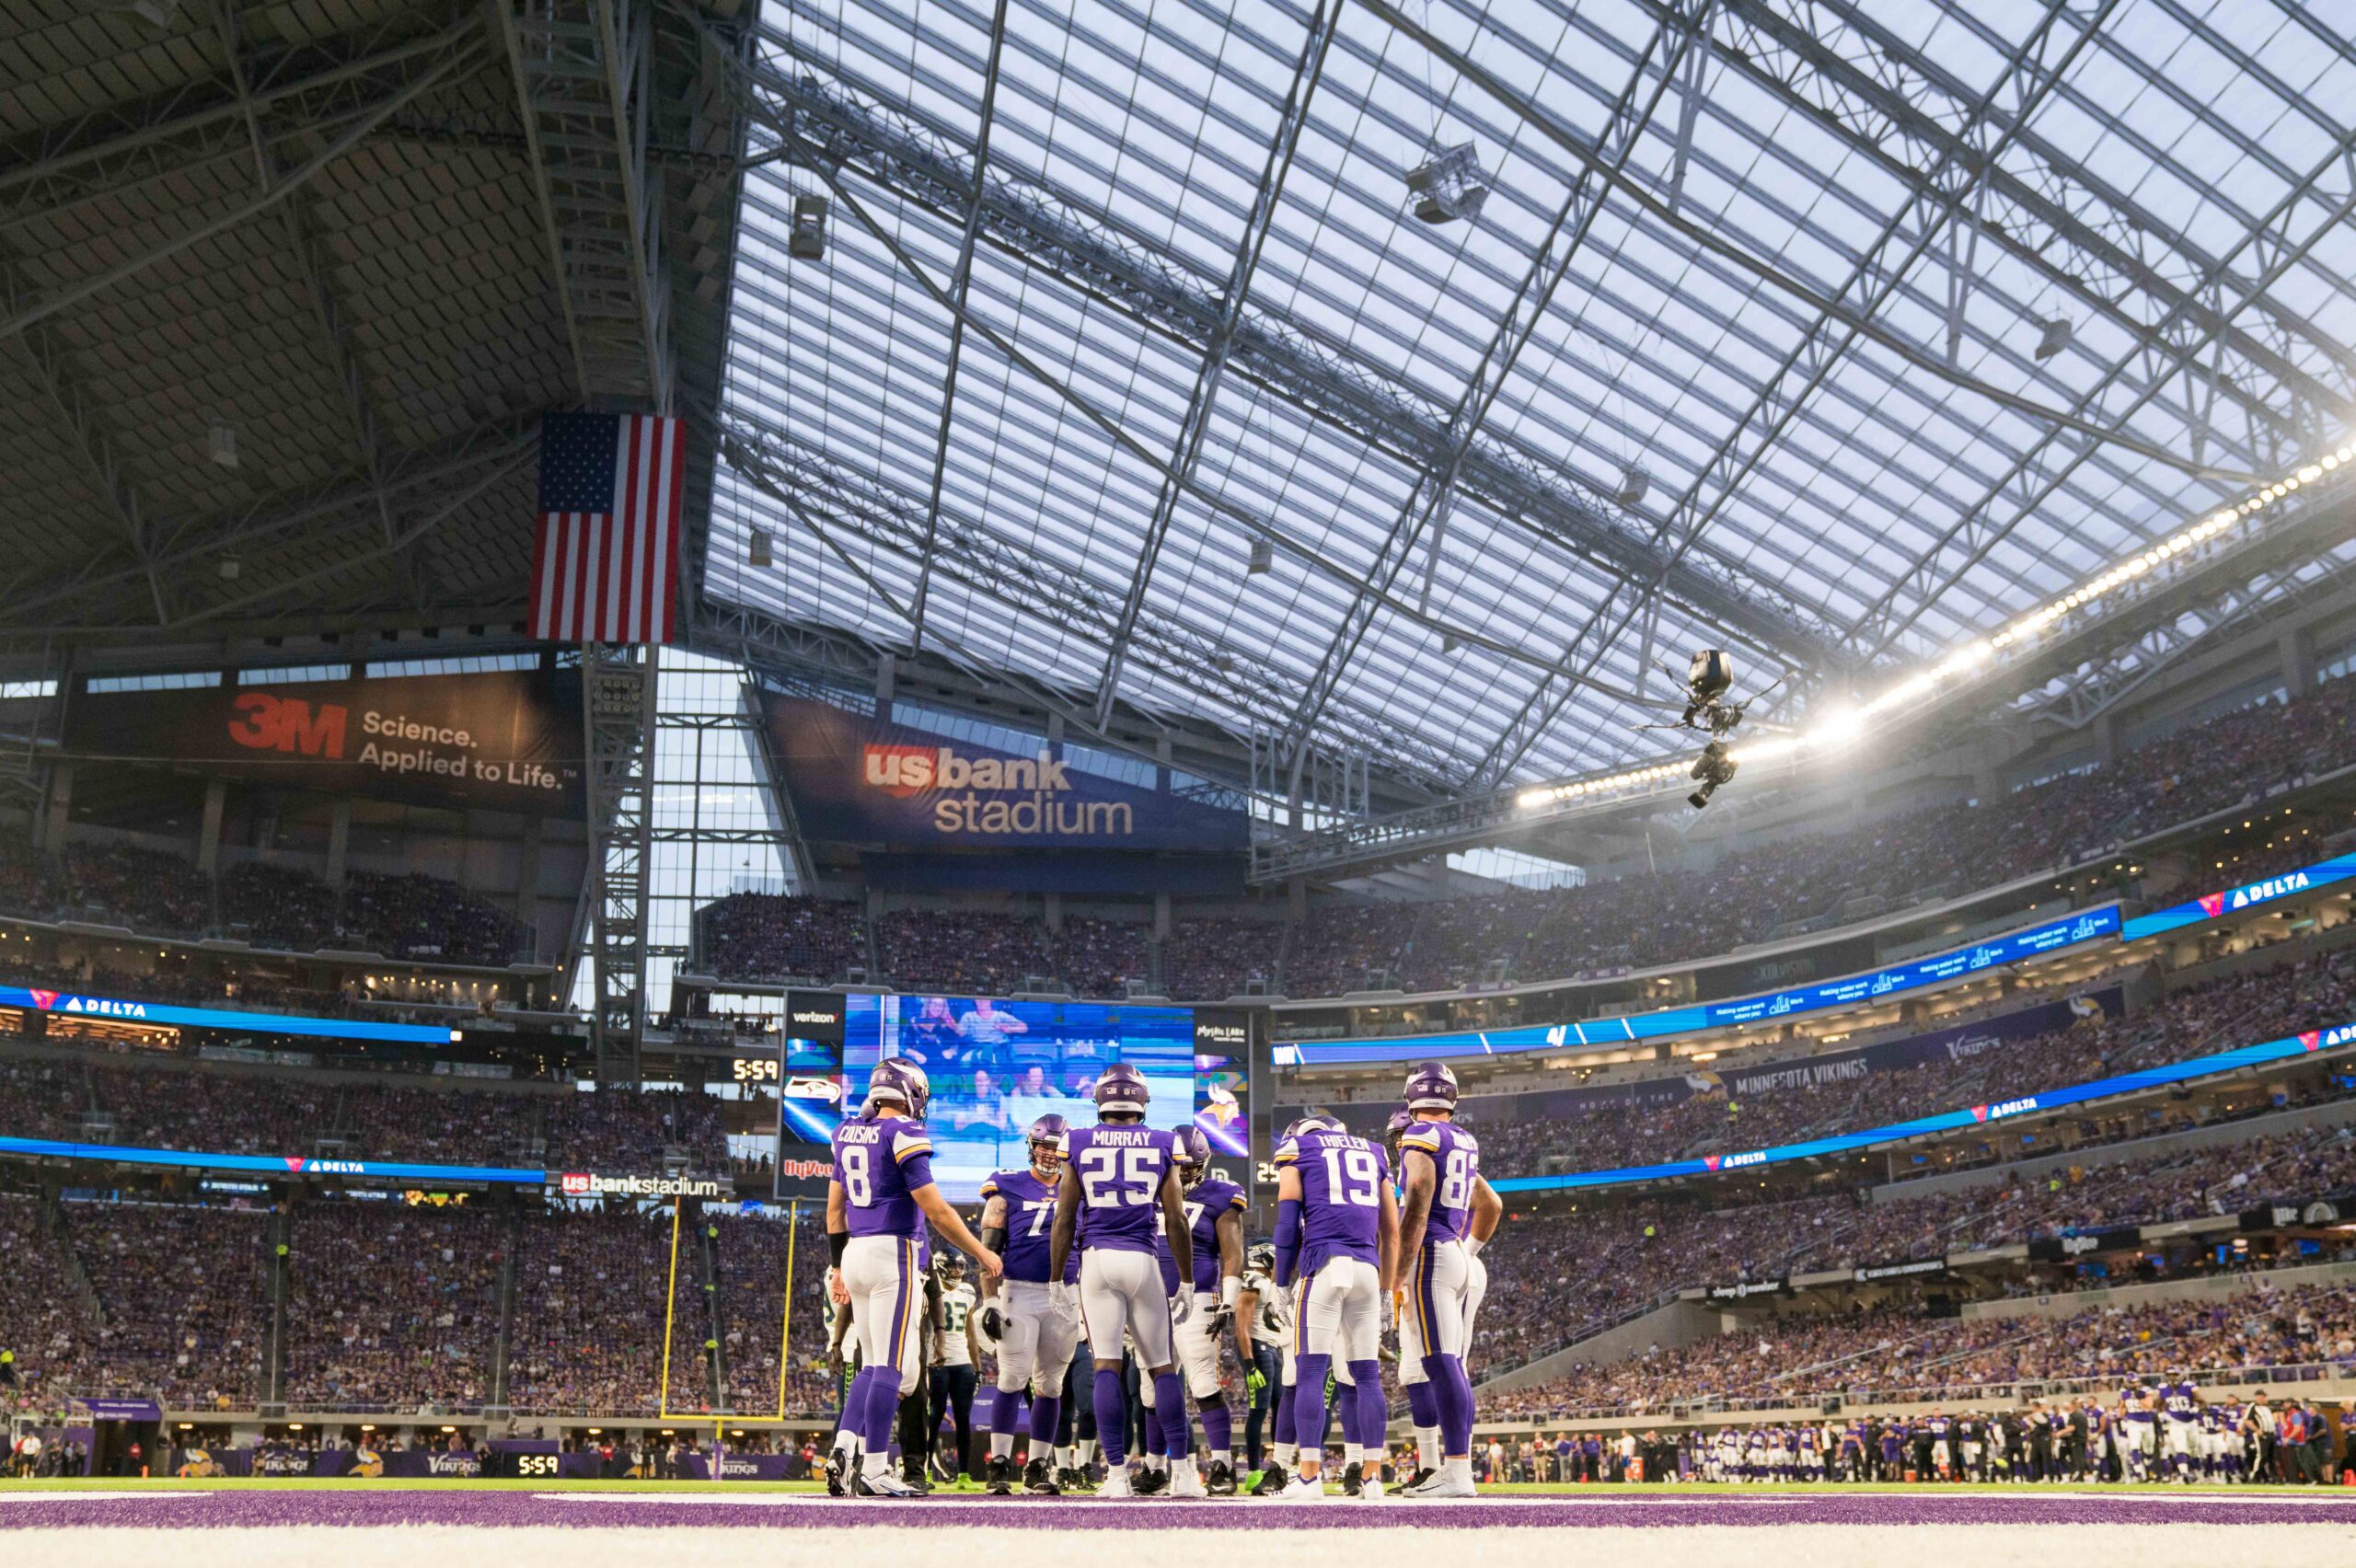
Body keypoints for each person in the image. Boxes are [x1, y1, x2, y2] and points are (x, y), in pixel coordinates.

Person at [826, 1056, 1002, 1498]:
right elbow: (936, 1210)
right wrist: (980, 1251)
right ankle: (876, 1468)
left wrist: (835, 1267)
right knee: (889, 1364)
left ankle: (843, 1448)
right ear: (911, 1092)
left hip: (854, 1252)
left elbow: (833, 1212)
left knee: (871, 1363)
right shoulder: (904, 1132)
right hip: (893, 1253)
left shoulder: (845, 1131)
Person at [1046, 1062, 1194, 1499]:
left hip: (1097, 1260)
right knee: (1163, 1368)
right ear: (1141, 1100)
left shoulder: (1077, 1140)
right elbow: (1177, 1219)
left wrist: (1058, 1278)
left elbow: (1065, 1216)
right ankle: (1183, 1474)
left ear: (1101, 1099)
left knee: (1106, 1364)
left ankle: (1115, 1476)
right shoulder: (1166, 1142)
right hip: (1143, 1259)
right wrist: (1185, 1280)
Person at [1274, 1107, 1397, 1499]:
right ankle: (1373, 1478)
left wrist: (1280, 1282)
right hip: (1367, 1269)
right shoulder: (1375, 1151)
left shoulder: (1299, 1149)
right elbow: (1391, 1233)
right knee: (1367, 1378)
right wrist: (1386, 1292)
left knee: (1310, 1372)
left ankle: (1309, 1477)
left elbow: (1287, 1225)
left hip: (1324, 1265)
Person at [1390, 1063, 1500, 1500]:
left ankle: (1456, 1471)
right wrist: (1465, 1250)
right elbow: (1488, 1202)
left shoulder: (1420, 1136)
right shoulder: (1463, 1140)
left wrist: (1397, 1274)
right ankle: (1454, 1468)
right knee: (1449, 1362)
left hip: (1431, 1255)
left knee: (1439, 1362)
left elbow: (1416, 1204)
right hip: (1452, 1251)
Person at [975, 1113, 1081, 1495]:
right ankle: (1000, 1464)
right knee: (1010, 1378)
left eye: (1057, 1147)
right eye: (1044, 1146)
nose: (1050, 1154)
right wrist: (989, 1300)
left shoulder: (1080, 1187)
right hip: (1019, 1289)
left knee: (1051, 1385)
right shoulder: (1007, 1184)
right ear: (1031, 1146)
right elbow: (989, 1249)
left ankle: (1037, 1466)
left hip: (1065, 1293)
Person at [1170, 1124, 1248, 1493]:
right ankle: (1159, 1468)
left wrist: (1229, 1298)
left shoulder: (1220, 1195)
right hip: (1151, 1300)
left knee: (1203, 1383)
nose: (1184, 1174)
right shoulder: (1146, 1190)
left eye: (1190, 1166)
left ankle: (1222, 1467)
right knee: (1153, 1391)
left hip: (1199, 1297)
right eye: (1178, 1166)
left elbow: (1233, 1253)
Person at [930, 1256, 981, 1484]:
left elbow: (971, 1332)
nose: (958, 1270)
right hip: (936, 1361)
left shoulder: (968, 1291)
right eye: (952, 1265)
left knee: (963, 1419)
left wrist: (977, 1366)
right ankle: (925, 1470)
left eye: (960, 1266)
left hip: (962, 1361)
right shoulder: (930, 1288)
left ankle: (963, 1474)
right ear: (941, 1267)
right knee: (933, 1417)